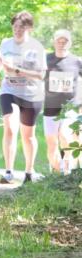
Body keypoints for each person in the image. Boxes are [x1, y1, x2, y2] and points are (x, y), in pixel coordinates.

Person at [0, 11, 47, 184]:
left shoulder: (37, 47)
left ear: (29, 28)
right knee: (10, 127)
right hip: (9, 90)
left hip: (31, 94)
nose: (17, 30)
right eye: (14, 26)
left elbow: (41, 75)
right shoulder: (5, 43)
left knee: (27, 136)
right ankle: (9, 172)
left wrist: (17, 70)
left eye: (21, 27)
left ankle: (29, 172)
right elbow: (0, 59)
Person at [43, 30, 81, 174]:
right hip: (50, 107)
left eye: (65, 41)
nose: (62, 43)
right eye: (59, 40)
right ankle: (57, 174)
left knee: (66, 135)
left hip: (70, 107)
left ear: (69, 43)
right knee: (52, 143)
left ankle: (68, 170)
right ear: (54, 42)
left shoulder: (77, 61)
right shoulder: (46, 60)